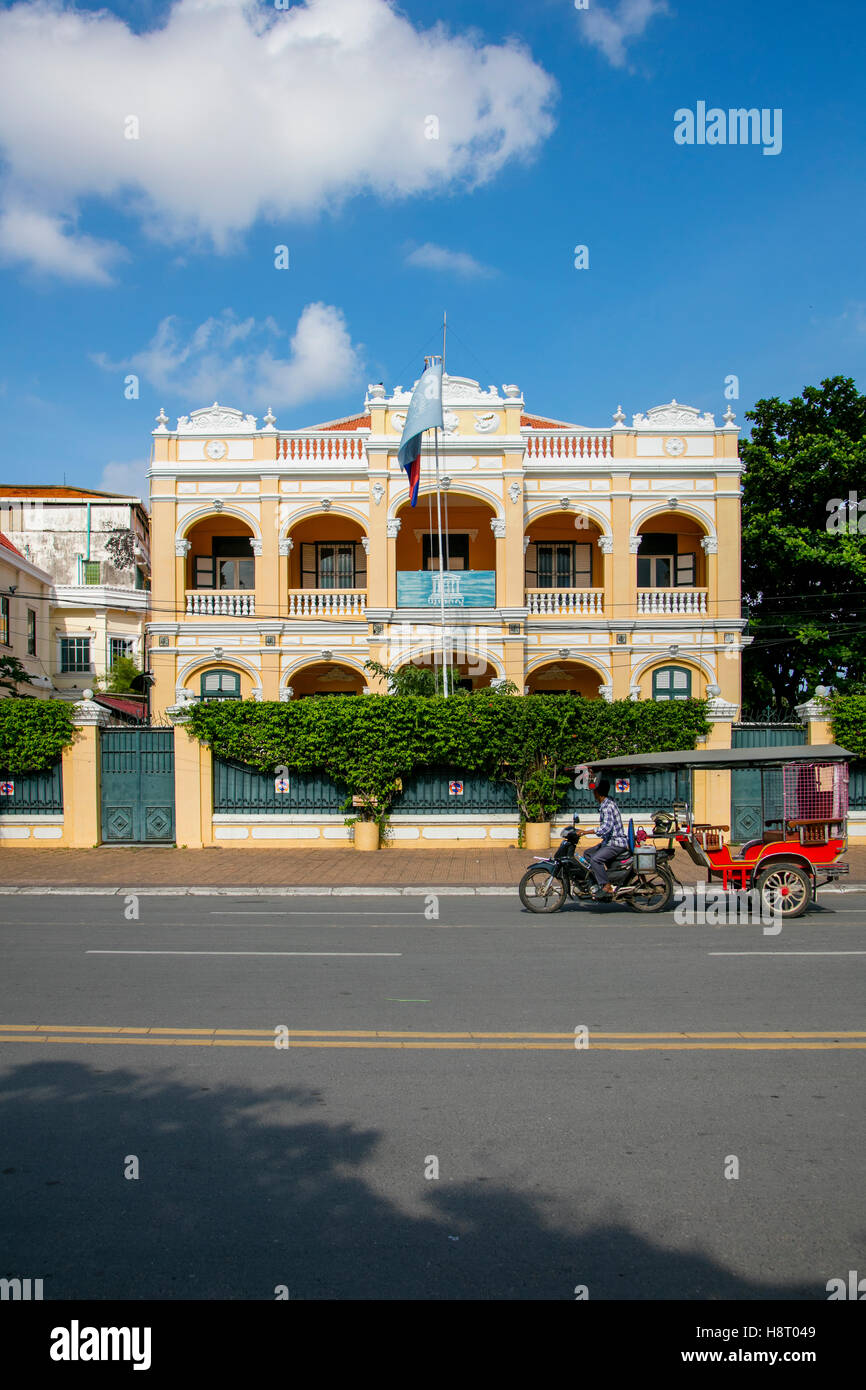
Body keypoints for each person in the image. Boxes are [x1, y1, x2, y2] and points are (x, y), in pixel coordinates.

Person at [579, 778, 628, 898]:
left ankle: (606, 886)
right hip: (609, 841)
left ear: (597, 792)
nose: (593, 793)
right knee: (588, 854)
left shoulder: (607, 807)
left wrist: (585, 832)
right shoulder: (607, 802)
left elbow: (605, 828)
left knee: (596, 859)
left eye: (594, 790)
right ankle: (597, 881)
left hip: (616, 843)